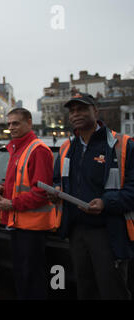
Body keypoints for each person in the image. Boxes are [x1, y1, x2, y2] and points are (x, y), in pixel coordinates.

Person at [50, 93, 134, 299]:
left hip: (109, 231)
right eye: (72, 110)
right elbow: (58, 180)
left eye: (82, 109)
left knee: (112, 291)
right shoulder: (67, 147)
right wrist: (56, 191)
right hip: (76, 232)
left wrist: (105, 203)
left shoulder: (122, 145)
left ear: (95, 112)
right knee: (85, 290)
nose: (76, 114)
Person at [0, 107, 58, 300]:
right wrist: (4, 189)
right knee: (22, 276)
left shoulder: (38, 150)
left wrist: (12, 203)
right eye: (9, 124)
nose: (11, 127)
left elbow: (42, 192)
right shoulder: (17, 148)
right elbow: (23, 184)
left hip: (32, 227)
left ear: (29, 123)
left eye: (16, 123)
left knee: (32, 278)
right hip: (19, 224)